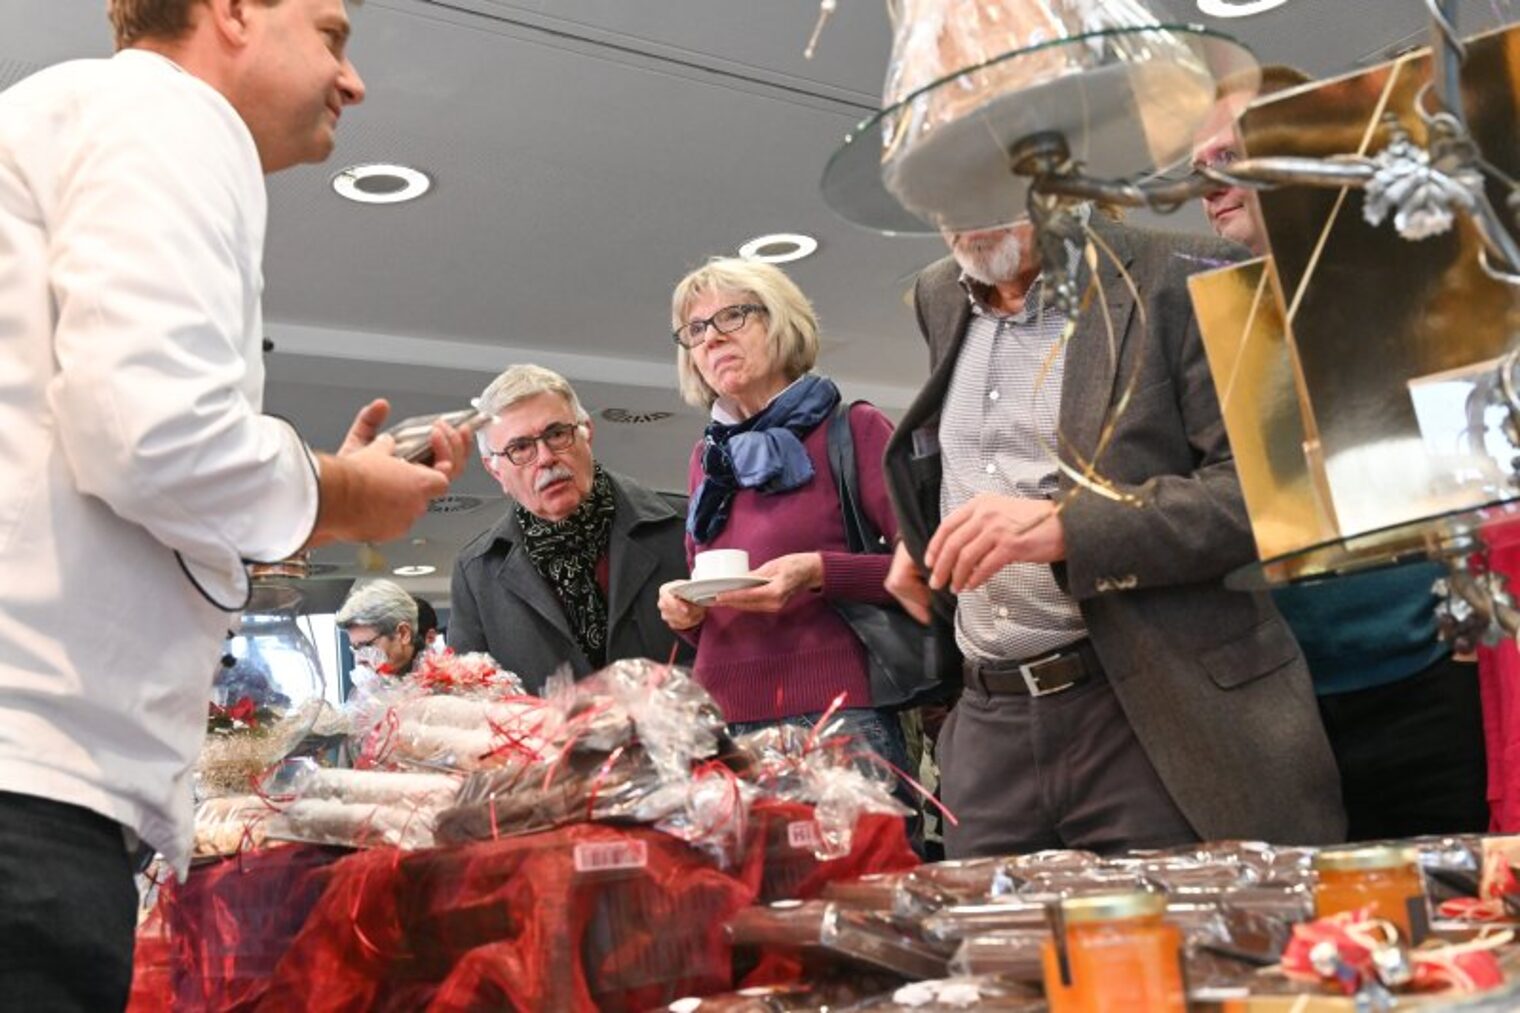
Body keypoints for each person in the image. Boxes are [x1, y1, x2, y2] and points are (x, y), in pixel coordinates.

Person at [0, 0, 470, 1006]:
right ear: (234, 10)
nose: (353, 82)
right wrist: (344, 495)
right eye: (334, 36)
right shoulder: (168, 110)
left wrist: (309, 498)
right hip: (29, 793)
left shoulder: (60, 118)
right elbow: (152, 435)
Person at [882, 208, 1346, 857]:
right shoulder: (939, 291)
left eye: (981, 180)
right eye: (939, 192)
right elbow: (981, 452)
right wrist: (924, 530)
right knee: (994, 956)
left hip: (1150, 711)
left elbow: (1277, 495)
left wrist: (1068, 526)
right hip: (992, 723)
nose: (962, 210)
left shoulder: (1207, 268)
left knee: (1171, 953)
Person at [1193, 69, 1488, 841]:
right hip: (1289, 704)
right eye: (1198, 168)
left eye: (1229, 154)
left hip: (1434, 683)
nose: (1207, 182)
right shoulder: (1208, 331)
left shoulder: (1430, 290)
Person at [657, 257, 914, 778]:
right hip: (722, 721)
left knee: (860, 862)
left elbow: (929, 566)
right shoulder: (708, 460)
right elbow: (718, 598)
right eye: (697, 329)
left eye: (733, 316)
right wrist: (687, 614)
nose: (712, 338)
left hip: (838, 716)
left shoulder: (854, 428)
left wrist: (821, 571)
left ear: (781, 323)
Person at [450, 365, 693, 692]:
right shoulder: (477, 572)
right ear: (494, 470)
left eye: (556, 434)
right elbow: (471, 700)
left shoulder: (685, 525)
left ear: (586, 431)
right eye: (520, 448)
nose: (546, 458)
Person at [337, 579, 423, 677]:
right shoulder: (377, 684)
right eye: (356, 649)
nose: (359, 660)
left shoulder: (438, 684)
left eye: (367, 646)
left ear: (403, 634)